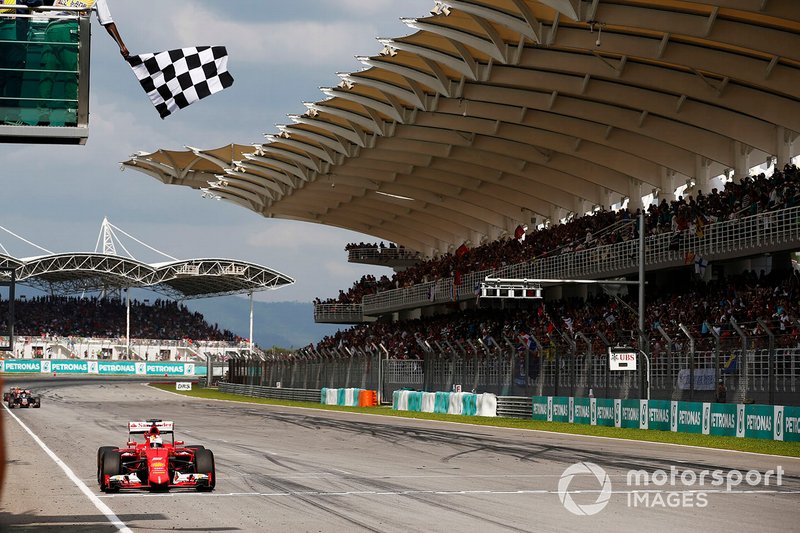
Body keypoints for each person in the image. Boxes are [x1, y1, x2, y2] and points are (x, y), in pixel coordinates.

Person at [37, 0, 129, 126]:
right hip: (53, 28)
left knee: (62, 73)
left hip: (68, 28)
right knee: (52, 73)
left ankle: (63, 115)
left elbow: (107, 22)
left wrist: (121, 45)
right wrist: (121, 45)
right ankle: (49, 115)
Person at [0, 1, 41, 124]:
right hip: (14, 32)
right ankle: (11, 116)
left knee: (3, 75)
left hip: (10, 30)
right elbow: (34, 2)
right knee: (14, 75)